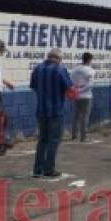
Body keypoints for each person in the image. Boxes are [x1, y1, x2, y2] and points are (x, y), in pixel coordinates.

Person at [30, 48, 72, 178]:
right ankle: (49, 169)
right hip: (56, 110)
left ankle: (38, 169)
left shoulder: (37, 69)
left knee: (42, 140)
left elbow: (33, 86)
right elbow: (69, 87)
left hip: (41, 109)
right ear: (58, 58)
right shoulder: (60, 69)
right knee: (53, 140)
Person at [71, 52, 95, 142]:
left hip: (76, 95)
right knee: (85, 117)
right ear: (89, 60)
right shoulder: (90, 70)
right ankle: (83, 137)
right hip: (86, 96)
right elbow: (90, 85)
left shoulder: (75, 70)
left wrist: (77, 91)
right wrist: (81, 90)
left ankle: (74, 135)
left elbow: (72, 82)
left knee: (76, 116)